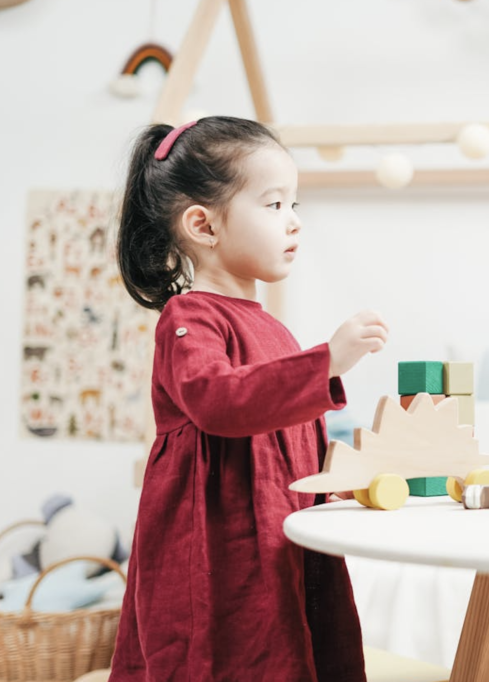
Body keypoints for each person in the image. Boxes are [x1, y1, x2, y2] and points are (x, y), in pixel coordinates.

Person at [111, 116, 388, 681]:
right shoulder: (189, 319)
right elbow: (221, 402)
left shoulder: (274, 330)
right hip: (218, 546)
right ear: (204, 226)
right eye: (274, 205)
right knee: (228, 655)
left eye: (295, 205)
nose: (294, 223)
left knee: (295, 647)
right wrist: (326, 361)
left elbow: (297, 439)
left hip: (280, 535)